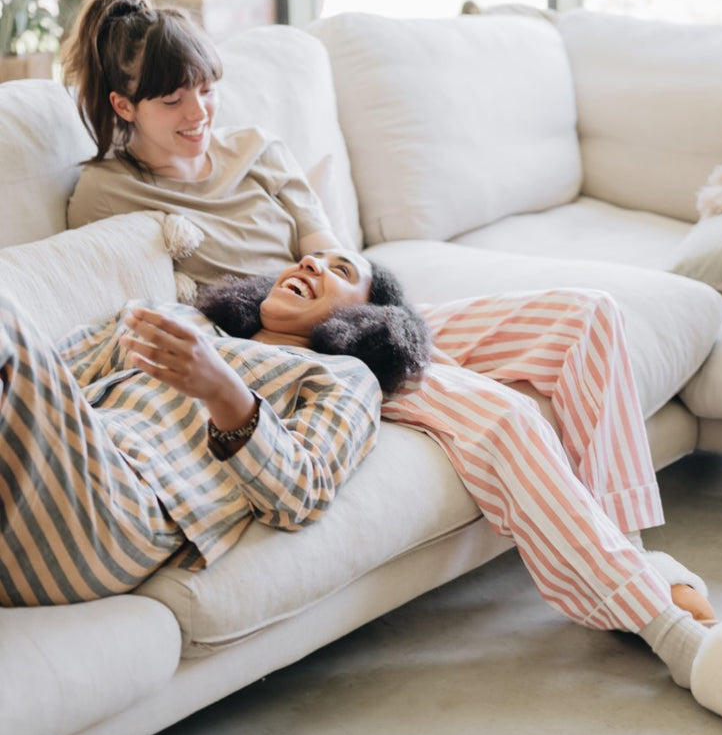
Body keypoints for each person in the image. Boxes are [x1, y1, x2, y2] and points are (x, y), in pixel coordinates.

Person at [61, 0, 722, 726]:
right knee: (499, 419)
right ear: (124, 108)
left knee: (587, 317)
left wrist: (355, 300)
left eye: (205, 88)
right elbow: (179, 326)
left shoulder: (256, 151)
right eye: (173, 101)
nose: (200, 114)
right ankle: (673, 634)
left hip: (358, 317)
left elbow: (333, 255)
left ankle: (630, 556)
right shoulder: (106, 196)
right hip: (297, 362)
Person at [0, 251, 429, 608]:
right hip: (32, 465)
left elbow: (302, 493)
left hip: (115, 512)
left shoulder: (343, 377)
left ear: (368, 317)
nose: (312, 262)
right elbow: (48, 376)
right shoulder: (172, 318)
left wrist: (223, 391)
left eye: (341, 270)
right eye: (310, 258)